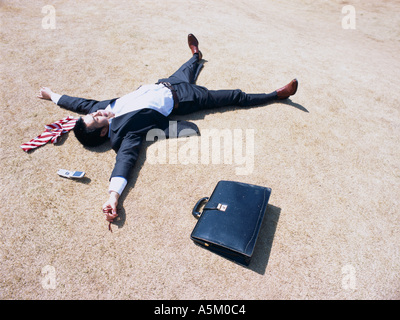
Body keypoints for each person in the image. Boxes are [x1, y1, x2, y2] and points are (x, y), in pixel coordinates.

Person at [37, 34, 298, 224]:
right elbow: (125, 161)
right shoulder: (125, 134)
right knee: (234, 96)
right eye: (95, 119)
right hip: (185, 98)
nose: (94, 113)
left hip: (167, 82)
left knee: (189, 66)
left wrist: (53, 95)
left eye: (92, 115)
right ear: (104, 132)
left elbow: (80, 103)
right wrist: (113, 197)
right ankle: (275, 95)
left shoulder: (103, 107)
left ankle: (196, 54)